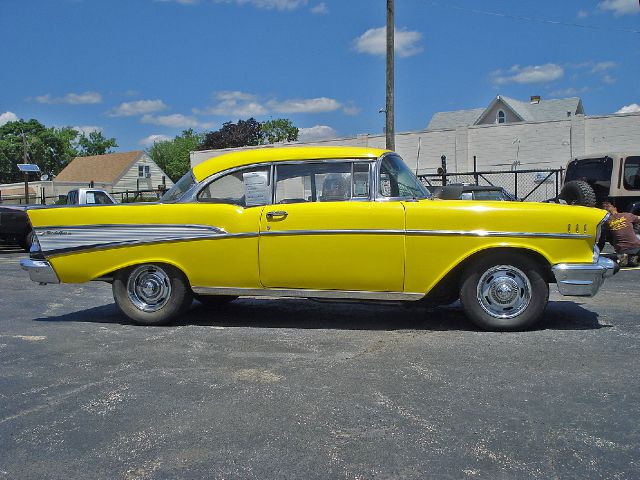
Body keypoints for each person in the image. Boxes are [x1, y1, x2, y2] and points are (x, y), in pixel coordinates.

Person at [600, 201, 640, 266]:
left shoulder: (605, 224)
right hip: (636, 246)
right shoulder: (627, 215)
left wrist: (596, 254)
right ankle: (635, 257)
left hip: (622, 249)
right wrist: (635, 230)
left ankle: (623, 255)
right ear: (615, 209)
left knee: (608, 235)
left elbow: (601, 241)